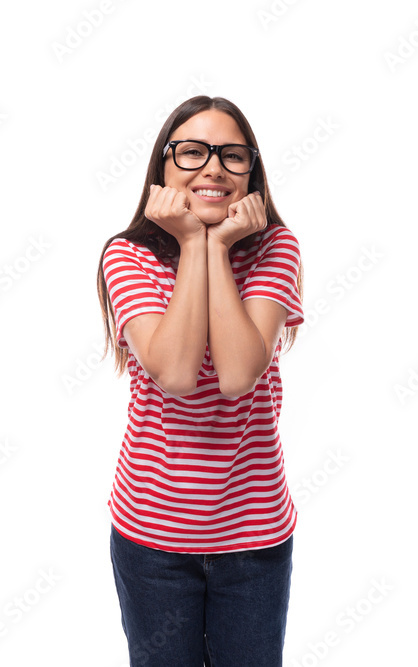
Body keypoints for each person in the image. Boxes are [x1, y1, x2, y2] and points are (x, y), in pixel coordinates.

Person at [96, 95, 305, 666]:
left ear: (251, 174)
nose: (213, 168)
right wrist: (194, 242)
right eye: (192, 152)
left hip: (254, 534)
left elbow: (237, 374)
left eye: (232, 155)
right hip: (151, 537)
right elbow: (176, 373)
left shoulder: (275, 248)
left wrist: (215, 244)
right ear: (162, 167)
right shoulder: (127, 256)